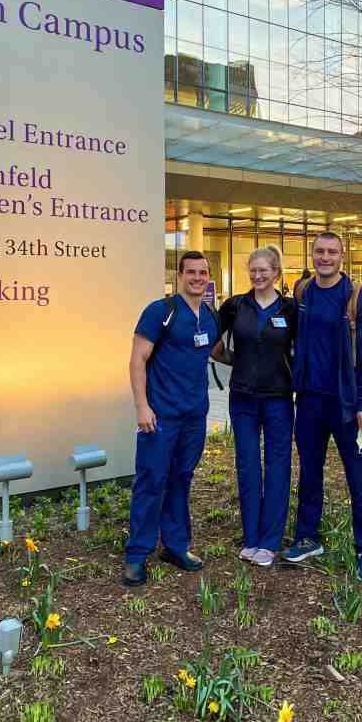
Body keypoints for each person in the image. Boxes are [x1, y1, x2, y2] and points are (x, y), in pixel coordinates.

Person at [283, 232, 362, 582]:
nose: (325, 257)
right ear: (312, 255)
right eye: (319, 251)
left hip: (348, 407)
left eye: (332, 252)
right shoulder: (303, 293)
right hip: (309, 401)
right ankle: (308, 538)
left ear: (342, 256)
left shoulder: (357, 299)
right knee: (309, 473)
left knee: (359, 480)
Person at [123, 251, 220, 586]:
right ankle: (137, 554)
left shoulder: (208, 315)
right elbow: (137, 360)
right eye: (191, 272)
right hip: (160, 415)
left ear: (209, 276)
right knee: (151, 481)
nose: (197, 277)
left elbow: (217, 352)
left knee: (181, 479)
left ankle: (176, 545)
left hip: (194, 415)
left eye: (203, 272)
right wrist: (141, 406)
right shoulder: (159, 312)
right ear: (180, 275)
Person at [213, 246, 297, 567]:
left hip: (278, 398)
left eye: (264, 270)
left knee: (277, 465)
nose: (258, 276)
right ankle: (251, 538)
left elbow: (301, 350)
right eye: (253, 270)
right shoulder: (235, 306)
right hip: (243, 398)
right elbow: (212, 341)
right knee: (247, 464)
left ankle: (270, 541)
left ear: (276, 272)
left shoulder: (290, 310)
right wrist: (236, 361)